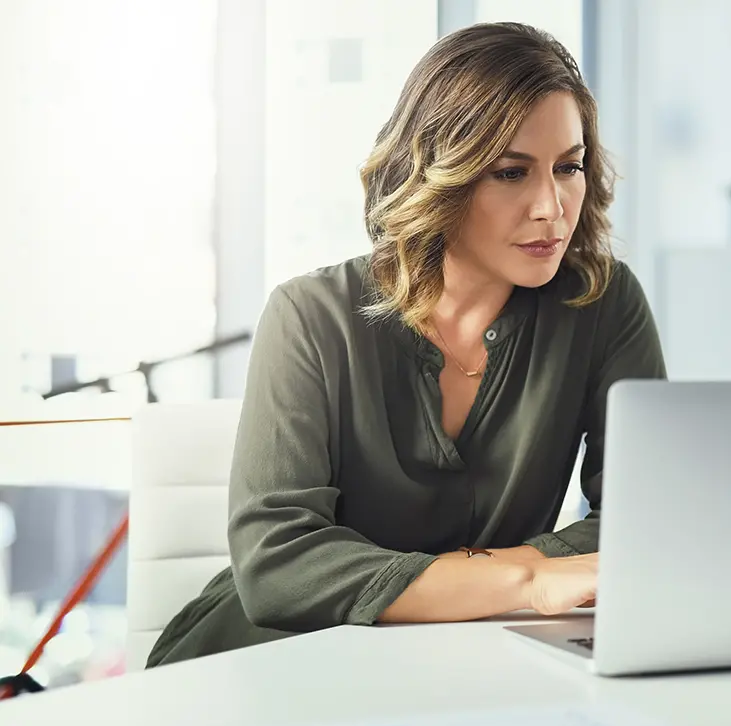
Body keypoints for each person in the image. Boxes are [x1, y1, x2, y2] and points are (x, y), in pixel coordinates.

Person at [145, 23, 666, 667]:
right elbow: (278, 565)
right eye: (510, 172)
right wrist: (527, 578)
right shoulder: (309, 315)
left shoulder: (602, 302)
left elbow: (647, 517)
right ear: (438, 174)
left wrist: (484, 580)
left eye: (569, 167)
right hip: (277, 659)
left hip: (473, 658)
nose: (552, 208)